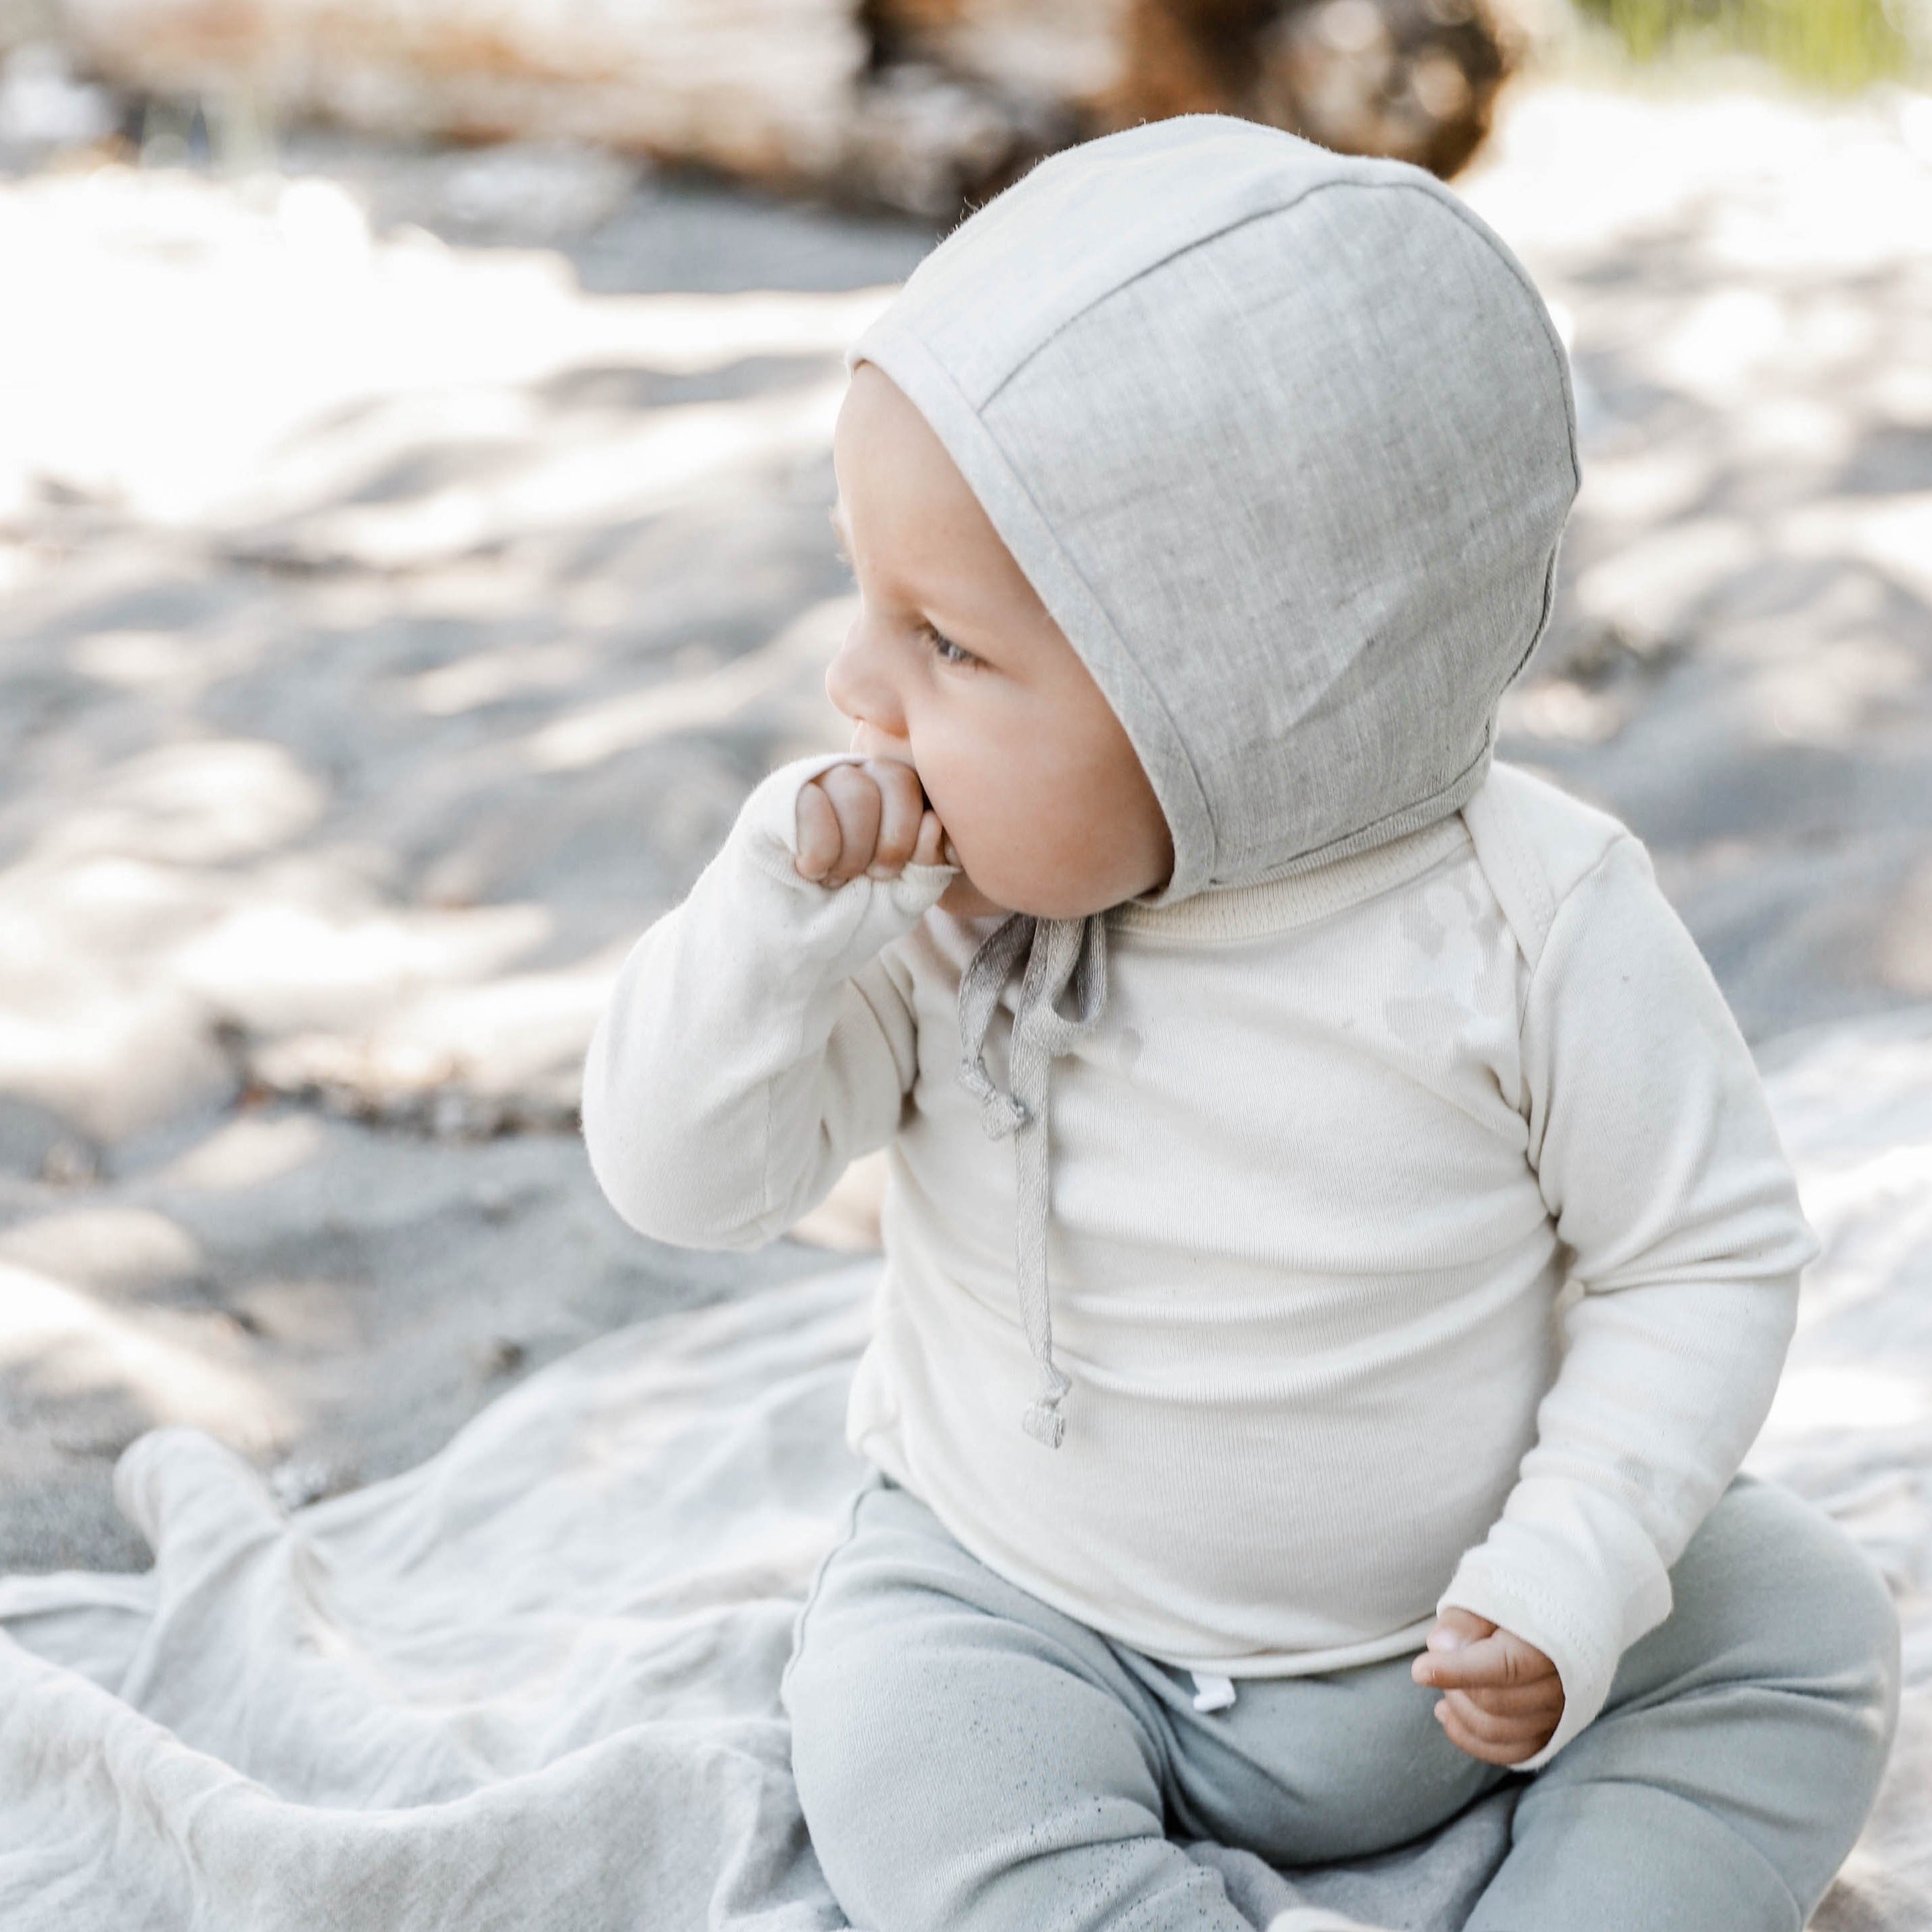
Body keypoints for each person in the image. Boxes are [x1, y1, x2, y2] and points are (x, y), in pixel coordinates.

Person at [581, 117, 1899, 1932]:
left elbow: (1704, 1261)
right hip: (1044, 1617)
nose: (856, 685)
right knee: (891, 1724)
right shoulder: (917, 908)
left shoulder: (1533, 917)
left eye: (946, 645)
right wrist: (764, 931)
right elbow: (683, 1183)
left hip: (1479, 1645)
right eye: (864, 602)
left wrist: (1574, 1572)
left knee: (1801, 1630)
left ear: (1235, 695)